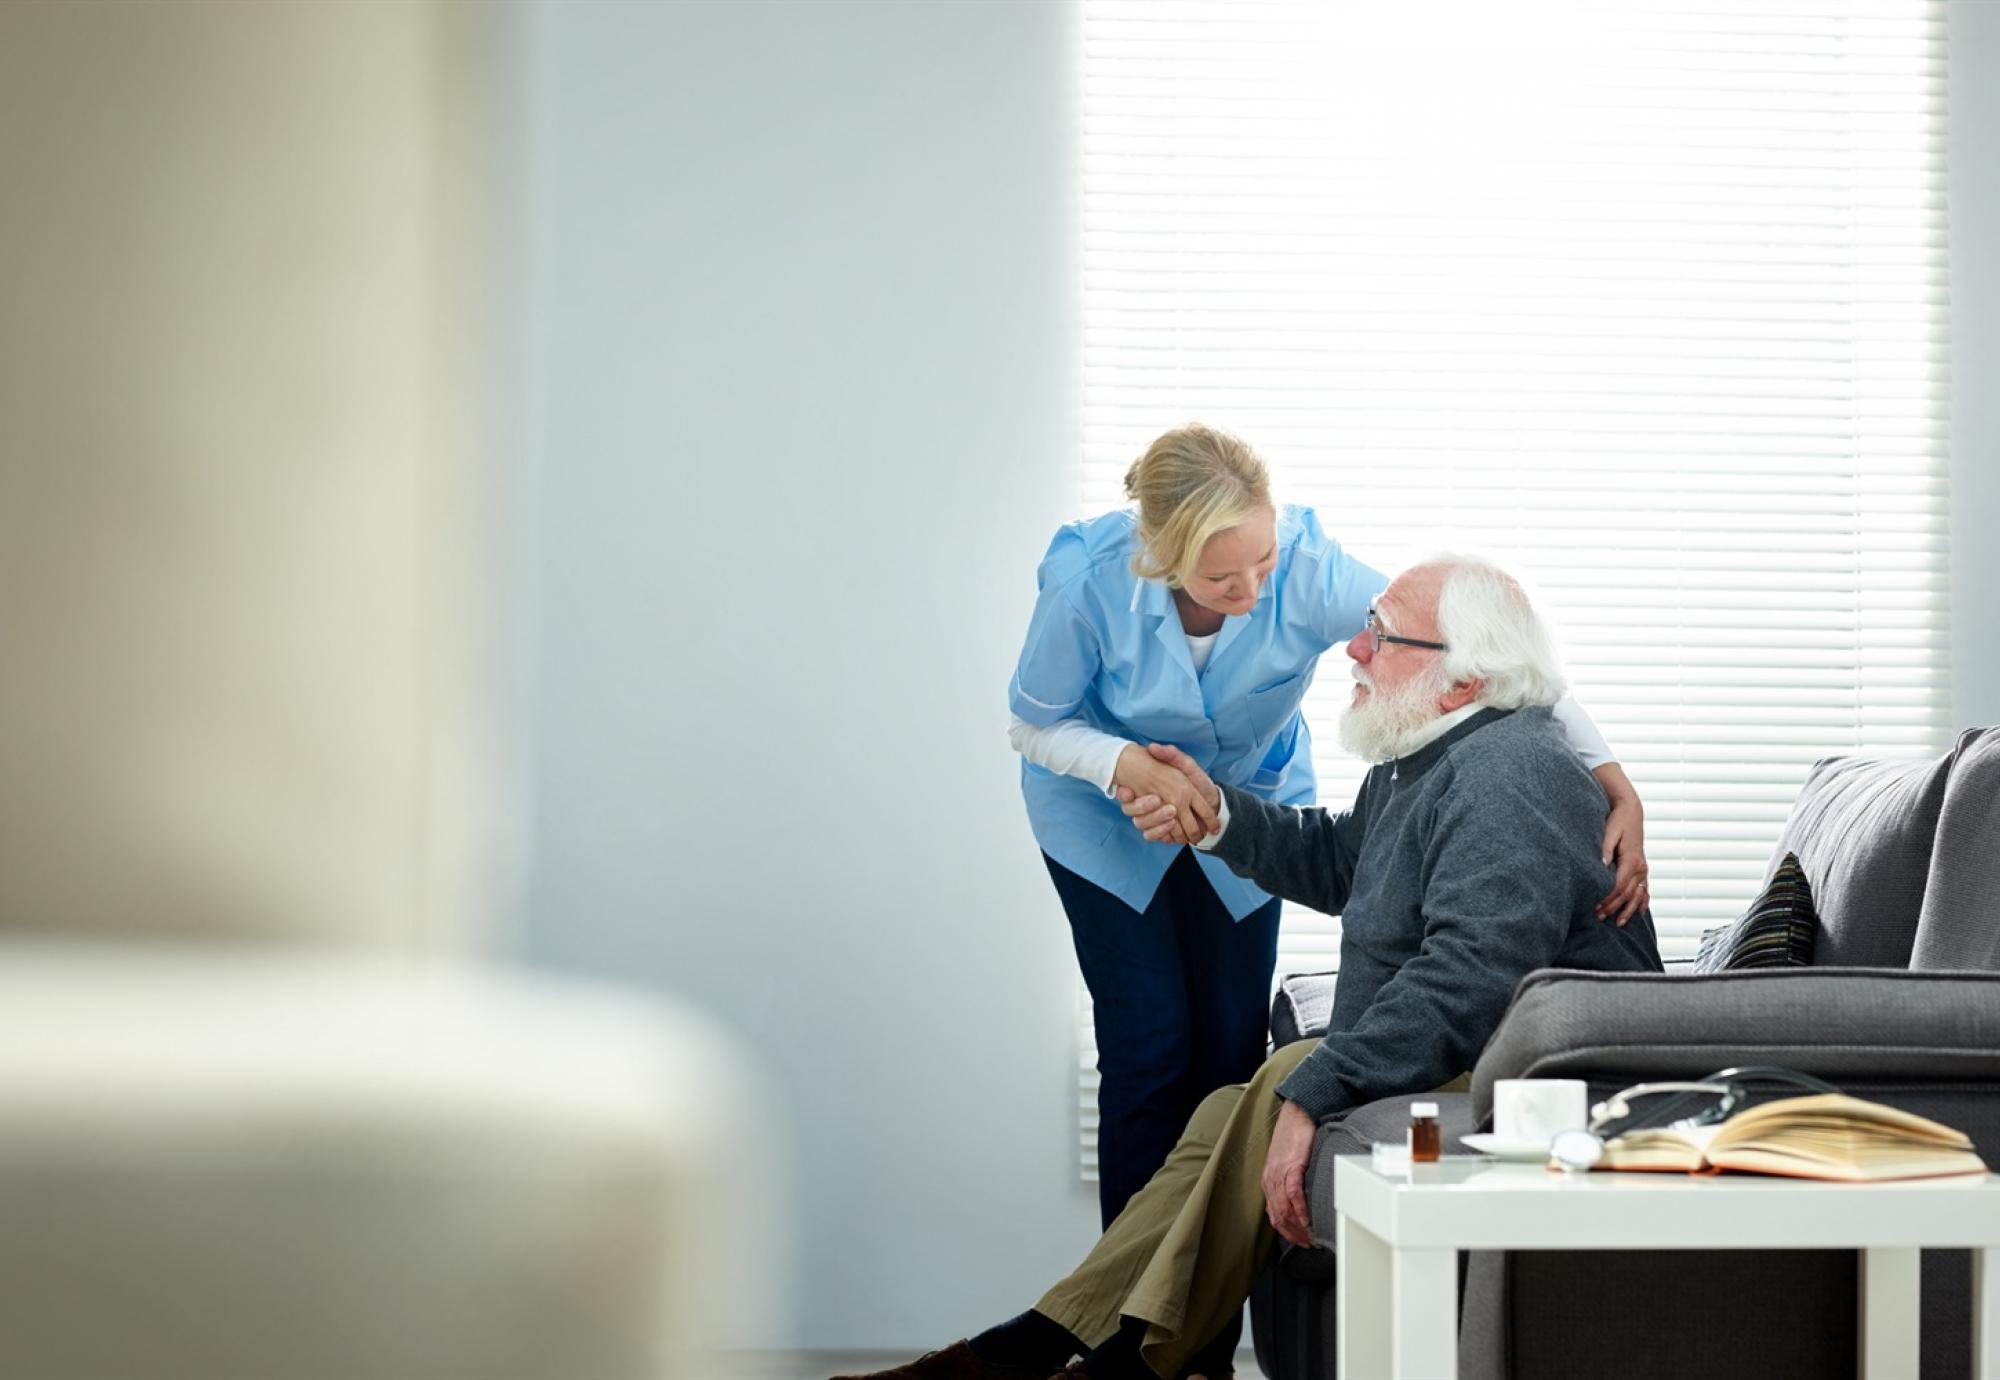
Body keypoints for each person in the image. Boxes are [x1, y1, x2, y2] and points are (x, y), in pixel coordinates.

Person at [850, 556, 1664, 1380]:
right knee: (1223, 1113)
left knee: (1287, 1075)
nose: (1354, 649)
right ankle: (1057, 1347)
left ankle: (1079, 1359)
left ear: (1463, 680)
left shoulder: (1508, 774)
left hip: (1530, 1077)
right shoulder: (1431, 756)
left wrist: (1319, 1091)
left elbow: (1469, 977)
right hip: (1476, 1052)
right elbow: (1341, 864)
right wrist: (1214, 814)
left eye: (1381, 635)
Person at [1008, 426, 1648, 1225]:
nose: (1252, 589)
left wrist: (1613, 779)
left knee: (1227, 1056)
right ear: (1162, 559)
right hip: (1102, 813)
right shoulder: (1086, 585)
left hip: (1242, 801)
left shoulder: (1313, 577)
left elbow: (1484, 650)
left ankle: (1184, 1346)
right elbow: (1034, 723)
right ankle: (1116, 1336)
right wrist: (1121, 765)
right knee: (1148, 1046)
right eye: (1220, 577)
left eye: (1263, 563)